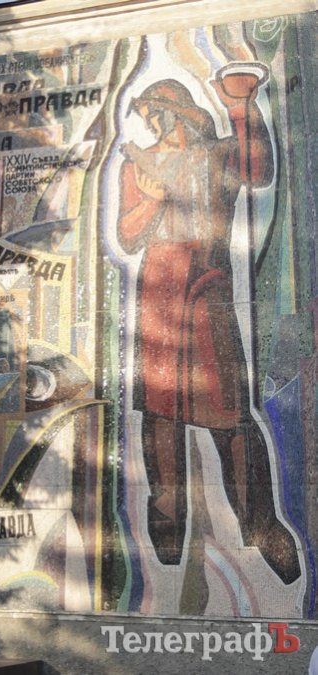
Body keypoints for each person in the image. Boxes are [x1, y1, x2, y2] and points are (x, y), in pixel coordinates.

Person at [117, 75, 300, 584]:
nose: (152, 124)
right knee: (160, 420)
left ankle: (261, 526)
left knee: (230, 416)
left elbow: (258, 169)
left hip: (206, 295)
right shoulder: (137, 165)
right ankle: (167, 527)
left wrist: (242, 104)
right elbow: (127, 235)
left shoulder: (217, 154)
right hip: (157, 302)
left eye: (157, 112)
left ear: (178, 110)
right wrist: (151, 199)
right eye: (147, 116)